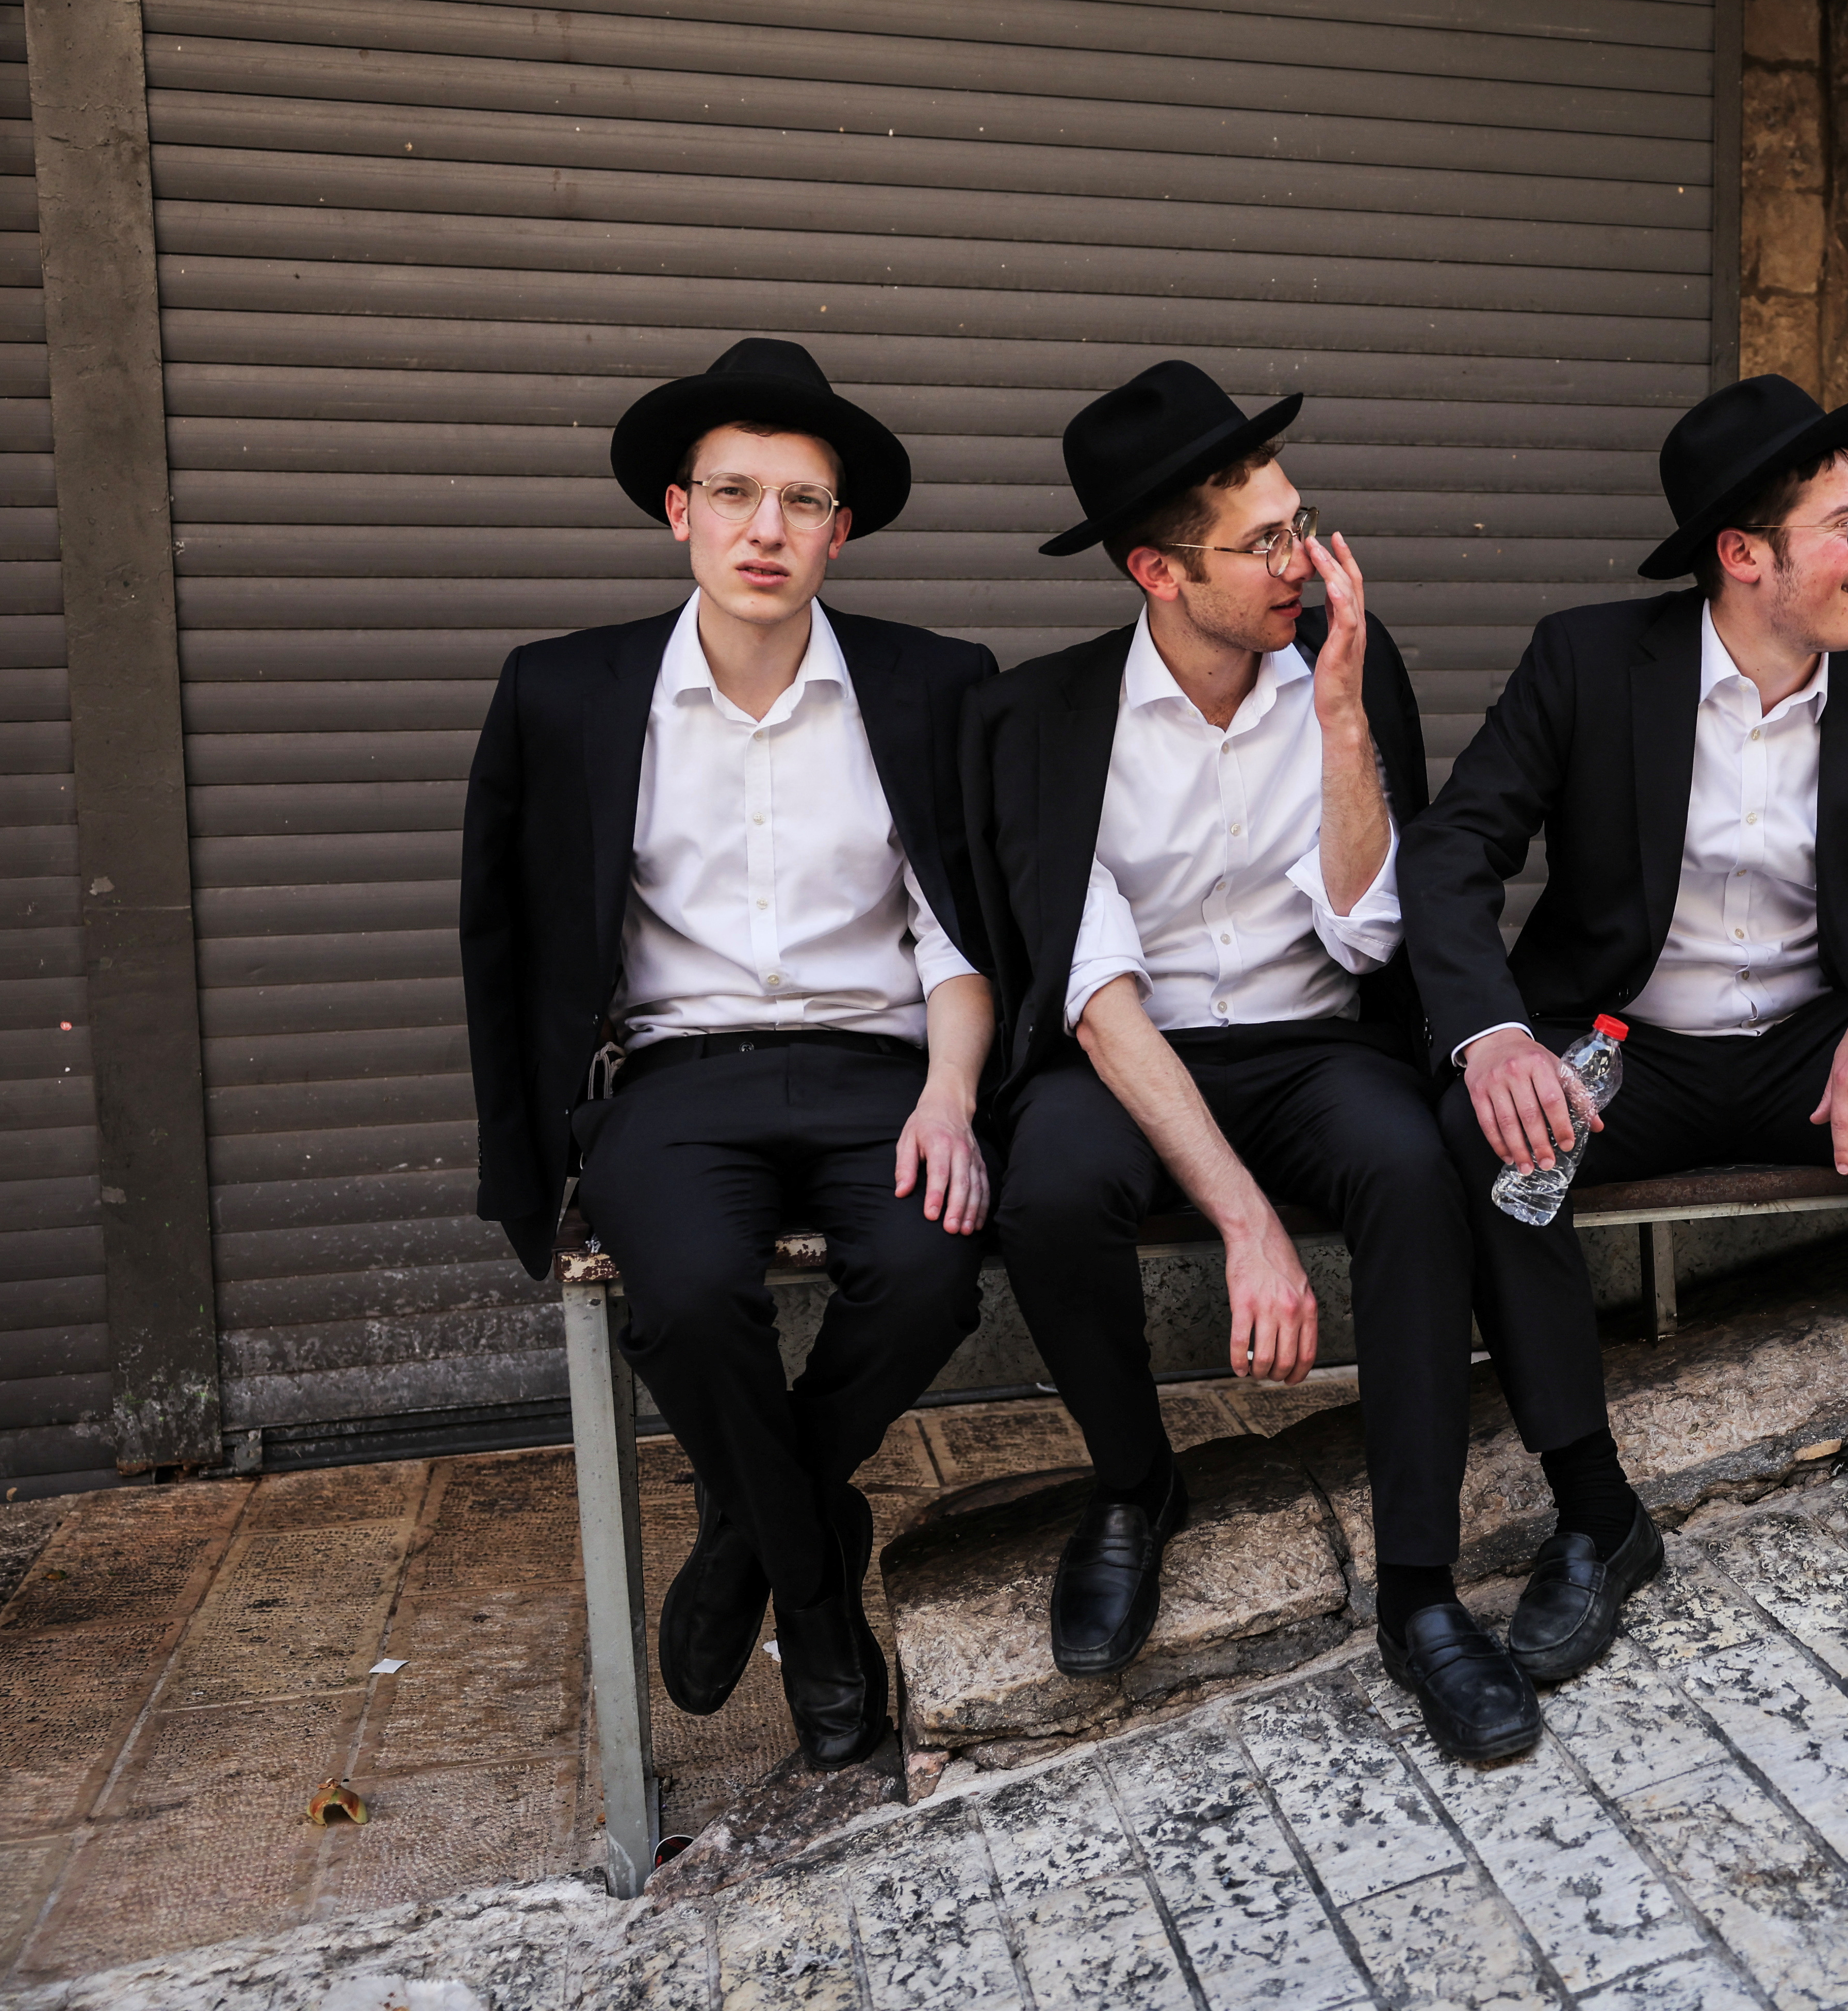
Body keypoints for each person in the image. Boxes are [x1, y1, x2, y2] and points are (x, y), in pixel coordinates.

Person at [1404, 375, 1848, 1687]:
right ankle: (1598, 1510)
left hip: (1815, 1054)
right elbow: (1451, 857)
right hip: (1623, 1048)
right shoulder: (1589, 661)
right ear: (1745, 554)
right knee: (1484, 1135)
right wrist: (1493, 1037)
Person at [959, 362, 1534, 1761]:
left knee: (1409, 1164)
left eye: (1302, 521)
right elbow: (1093, 994)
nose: (1306, 561)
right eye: (1265, 542)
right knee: (1048, 1189)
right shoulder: (1044, 721)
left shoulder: (1348, 663)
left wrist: (1338, 718)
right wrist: (1249, 1221)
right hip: (1132, 1054)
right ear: (1158, 571)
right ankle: (1135, 1483)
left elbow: (1364, 940)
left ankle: (1418, 1589)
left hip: (1308, 1038)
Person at [462, 338, 996, 1769]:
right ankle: (821, 1600)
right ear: (676, 510)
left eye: (803, 502)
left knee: (937, 1270)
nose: (768, 531)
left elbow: (964, 930)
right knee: (688, 1296)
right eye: (737, 495)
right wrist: (526, 1153)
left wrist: (953, 1098)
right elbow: (500, 938)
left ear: (845, 529)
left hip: (882, 1070)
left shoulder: (937, 686)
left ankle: (753, 1529)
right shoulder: (565, 693)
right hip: (679, 1081)